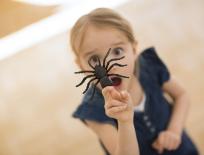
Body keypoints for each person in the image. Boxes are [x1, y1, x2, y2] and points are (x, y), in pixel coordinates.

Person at [70, 8, 199, 155]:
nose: (110, 66)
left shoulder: (149, 67)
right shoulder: (93, 109)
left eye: (117, 51)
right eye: (94, 59)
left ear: (134, 49)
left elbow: (182, 95)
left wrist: (174, 131)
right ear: (80, 66)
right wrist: (124, 122)